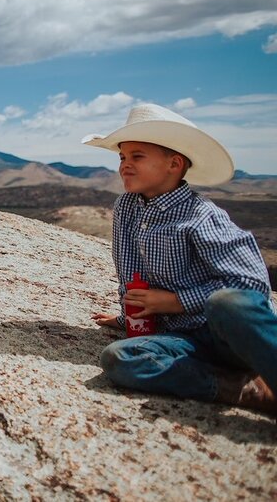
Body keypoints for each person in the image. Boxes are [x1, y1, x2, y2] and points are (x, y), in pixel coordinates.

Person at [85, 104, 276, 415]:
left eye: (137, 156)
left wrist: (176, 302)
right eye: (122, 157)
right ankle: (247, 391)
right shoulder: (126, 209)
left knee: (229, 303)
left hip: (227, 335)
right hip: (181, 340)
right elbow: (133, 279)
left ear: (174, 163)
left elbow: (252, 286)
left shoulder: (201, 216)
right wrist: (129, 317)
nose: (124, 165)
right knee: (119, 359)